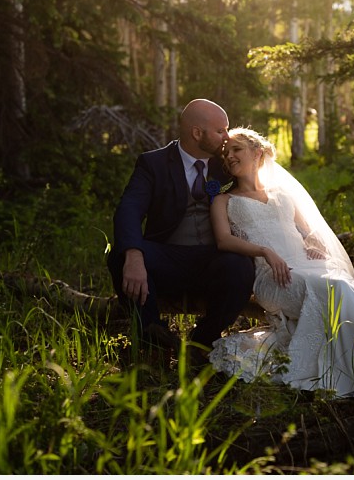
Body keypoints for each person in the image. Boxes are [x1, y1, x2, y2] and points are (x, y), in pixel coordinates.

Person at [208, 128, 354, 403]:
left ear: (257, 153)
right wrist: (264, 251)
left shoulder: (283, 194)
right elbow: (223, 240)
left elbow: (309, 231)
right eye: (227, 152)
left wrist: (313, 244)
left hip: (307, 266)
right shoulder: (224, 200)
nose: (229, 156)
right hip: (273, 277)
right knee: (336, 289)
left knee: (346, 289)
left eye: (236, 149)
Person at [108, 100, 256, 364]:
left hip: (214, 257)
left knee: (241, 266)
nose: (227, 137)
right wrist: (133, 254)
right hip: (168, 257)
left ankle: (202, 340)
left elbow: (258, 193)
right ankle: (152, 340)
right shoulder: (153, 163)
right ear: (197, 133)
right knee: (118, 257)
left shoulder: (227, 163)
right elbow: (128, 209)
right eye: (221, 130)